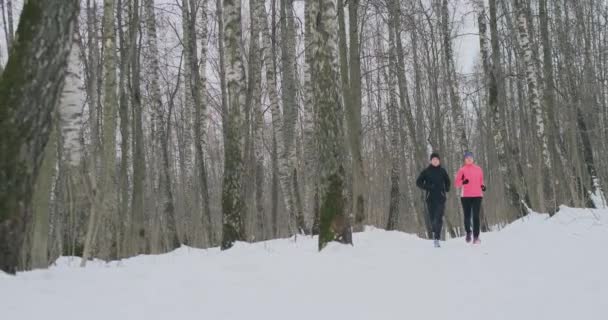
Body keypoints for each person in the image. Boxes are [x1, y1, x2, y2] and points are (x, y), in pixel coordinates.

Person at [416, 152, 451, 248]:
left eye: (437, 159)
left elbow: (448, 181)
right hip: (430, 198)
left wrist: (447, 188)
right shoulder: (426, 171)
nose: (435, 161)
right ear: (431, 161)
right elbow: (418, 182)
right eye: (433, 159)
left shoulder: (442, 171)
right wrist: (427, 187)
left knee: (438, 218)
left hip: (440, 198)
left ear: (439, 161)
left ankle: (437, 238)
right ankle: (435, 232)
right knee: (433, 220)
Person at [455, 151, 486, 244]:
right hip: (466, 196)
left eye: (471, 157)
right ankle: (468, 232)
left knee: (476, 216)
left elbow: (481, 181)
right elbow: (457, 183)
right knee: (467, 216)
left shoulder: (478, 169)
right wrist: (463, 182)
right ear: (465, 160)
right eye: (467, 157)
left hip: (477, 195)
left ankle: (476, 237)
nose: (469, 159)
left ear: (473, 159)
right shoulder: (462, 170)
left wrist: (483, 186)